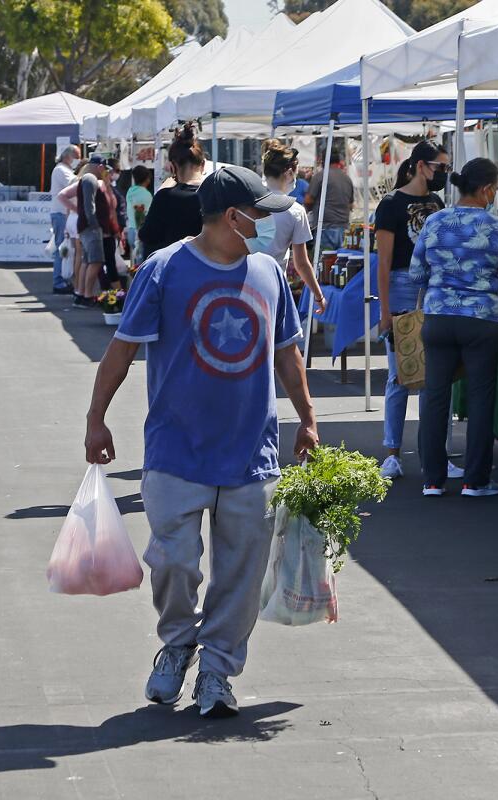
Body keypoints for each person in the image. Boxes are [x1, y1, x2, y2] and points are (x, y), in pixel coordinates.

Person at [84, 165, 318, 718]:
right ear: (233, 217)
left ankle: (217, 671)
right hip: (176, 453)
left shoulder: (269, 273)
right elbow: (121, 349)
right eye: (259, 213)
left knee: (239, 576)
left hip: (251, 456)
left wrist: (307, 417)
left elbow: (287, 352)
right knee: (173, 562)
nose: (267, 222)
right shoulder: (163, 271)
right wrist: (96, 417)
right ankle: (177, 642)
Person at [411, 158, 498, 497]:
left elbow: (417, 274)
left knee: (434, 397)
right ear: (487, 189)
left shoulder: (434, 221)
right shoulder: (497, 227)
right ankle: (475, 481)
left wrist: (444, 281)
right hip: (480, 321)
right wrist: (490, 285)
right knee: (480, 399)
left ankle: (432, 480)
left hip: (438, 318)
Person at [374, 140, 452, 480]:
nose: (444, 174)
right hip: (403, 286)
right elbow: (384, 263)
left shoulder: (437, 202)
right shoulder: (391, 204)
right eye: (440, 167)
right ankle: (392, 452)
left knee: (435, 376)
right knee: (400, 375)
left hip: (433, 288)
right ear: (421, 165)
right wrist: (385, 311)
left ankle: (436, 453)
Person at [261, 140, 324, 312]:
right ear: (289, 173)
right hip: (274, 287)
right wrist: (319, 296)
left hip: (243, 284)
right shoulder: (295, 211)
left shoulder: (248, 203)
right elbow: (301, 263)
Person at [60, 155, 121, 307]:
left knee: (88, 261)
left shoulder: (90, 179)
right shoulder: (89, 179)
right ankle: (86, 295)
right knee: (95, 261)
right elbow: (89, 205)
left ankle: (81, 294)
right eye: (104, 169)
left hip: (89, 226)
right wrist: (94, 224)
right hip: (91, 228)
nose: (105, 172)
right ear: (99, 166)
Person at [140, 123, 205, 257]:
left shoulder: (165, 196)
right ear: (203, 164)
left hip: (174, 270)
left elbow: (147, 235)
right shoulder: (216, 194)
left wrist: (162, 191)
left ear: (172, 166)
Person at [304, 145, 355, 253]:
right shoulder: (347, 179)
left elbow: (308, 200)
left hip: (325, 228)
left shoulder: (320, 176)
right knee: (340, 265)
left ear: (323, 160)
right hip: (344, 229)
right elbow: (351, 205)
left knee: (325, 264)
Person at [50, 145, 81, 294]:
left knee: (65, 247)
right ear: (69, 156)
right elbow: (74, 183)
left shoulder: (64, 169)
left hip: (63, 213)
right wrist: (85, 172)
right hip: (61, 213)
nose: (78, 160)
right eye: (77, 156)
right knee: (63, 247)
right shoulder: (61, 170)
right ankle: (58, 281)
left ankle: (62, 279)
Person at [125, 165, 154, 264]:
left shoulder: (130, 192)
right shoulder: (147, 195)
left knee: (134, 262)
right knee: (141, 263)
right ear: (147, 179)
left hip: (131, 231)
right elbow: (149, 214)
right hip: (140, 232)